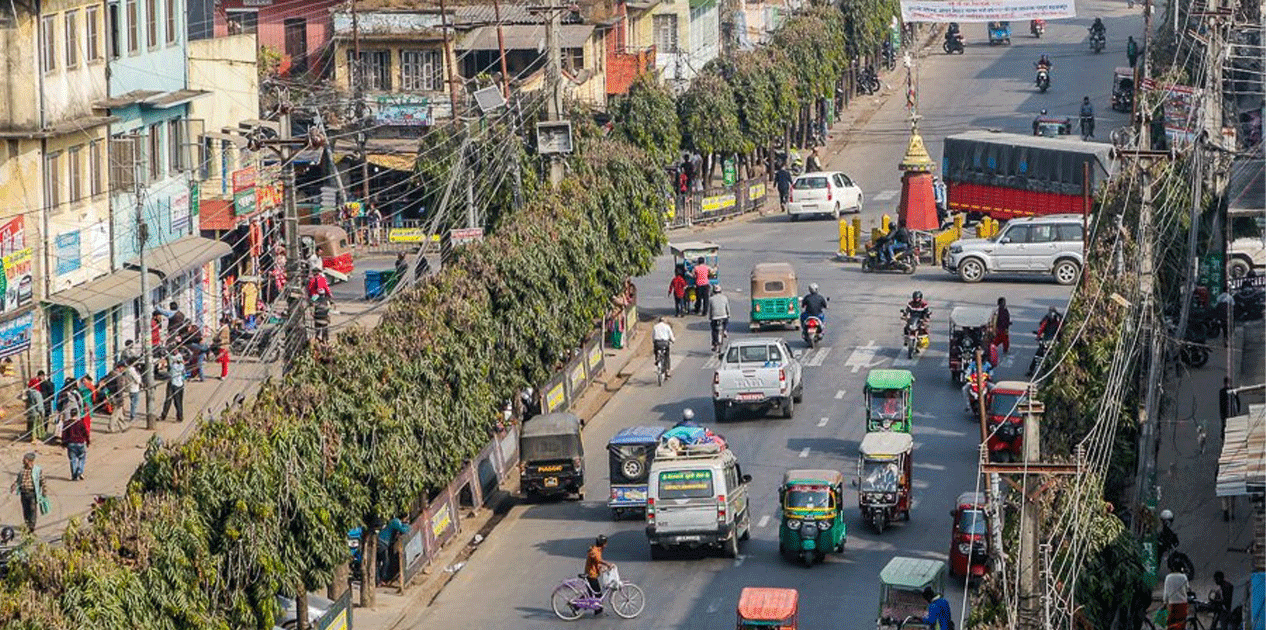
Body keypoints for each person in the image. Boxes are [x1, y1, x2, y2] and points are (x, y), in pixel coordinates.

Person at [9, 452, 47, 532]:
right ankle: (27, 524)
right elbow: (18, 480)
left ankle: (32, 525)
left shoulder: (37, 470)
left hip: (32, 493)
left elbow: (42, 480)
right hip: (23, 493)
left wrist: (44, 490)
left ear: (30, 461)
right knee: (25, 510)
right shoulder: (22, 470)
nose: (23, 460)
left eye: (25, 459)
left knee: (32, 509)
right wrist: (14, 486)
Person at [62, 389, 91, 481]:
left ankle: (74, 474)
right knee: (82, 458)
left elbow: (64, 434)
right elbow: (85, 433)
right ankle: (80, 470)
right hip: (81, 443)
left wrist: (63, 443)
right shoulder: (80, 423)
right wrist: (88, 441)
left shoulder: (67, 424)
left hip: (71, 444)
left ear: (70, 414)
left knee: (73, 460)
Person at [1163, 555, 1191, 630]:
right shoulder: (1184, 577)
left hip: (1172, 605)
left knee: (1171, 624)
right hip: (1182, 604)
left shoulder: (1168, 577)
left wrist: (1165, 603)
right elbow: (1188, 589)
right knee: (1181, 625)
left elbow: (1166, 592)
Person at [585, 535, 615, 603]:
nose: (606, 545)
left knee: (591, 594)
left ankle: (575, 607)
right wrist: (608, 564)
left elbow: (595, 562)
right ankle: (598, 612)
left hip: (592, 573)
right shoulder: (595, 551)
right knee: (598, 595)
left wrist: (602, 567)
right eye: (605, 543)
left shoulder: (597, 550)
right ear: (603, 544)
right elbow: (598, 560)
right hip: (591, 575)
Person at [160, 352, 186, 423]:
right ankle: (164, 415)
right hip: (175, 383)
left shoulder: (177, 362)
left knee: (176, 401)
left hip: (176, 383)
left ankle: (179, 417)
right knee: (170, 400)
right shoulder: (172, 357)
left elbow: (179, 369)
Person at [708, 284, 731, 353]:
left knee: (714, 330)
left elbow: (710, 310)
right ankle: (725, 330)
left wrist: (710, 317)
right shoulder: (725, 298)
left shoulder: (711, 299)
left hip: (715, 317)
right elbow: (727, 308)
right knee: (726, 323)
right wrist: (728, 315)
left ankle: (715, 344)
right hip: (724, 316)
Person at [122, 360, 142, 425]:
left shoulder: (128, 370)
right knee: (134, 403)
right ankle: (133, 416)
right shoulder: (132, 370)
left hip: (131, 388)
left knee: (133, 402)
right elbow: (137, 380)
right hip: (134, 388)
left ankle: (132, 415)